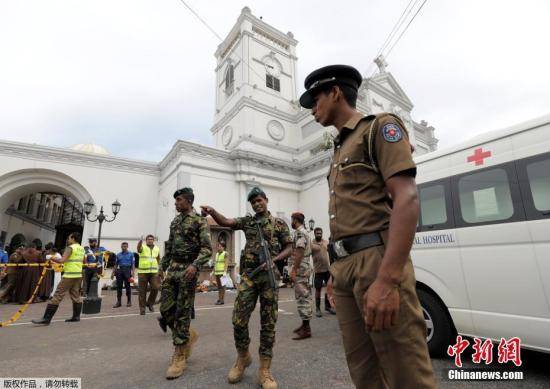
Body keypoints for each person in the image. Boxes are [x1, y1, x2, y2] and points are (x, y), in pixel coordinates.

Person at [299, 64, 437, 388]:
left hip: (377, 261)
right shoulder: (339, 148)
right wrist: (336, 272)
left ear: (335, 93)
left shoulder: (380, 127)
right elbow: (343, 217)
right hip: (345, 267)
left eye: (315, 99)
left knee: (406, 372)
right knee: (364, 371)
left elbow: (407, 198)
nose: (312, 110)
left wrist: (388, 280)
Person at [201, 186, 293, 389]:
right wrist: (212, 211)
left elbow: (289, 247)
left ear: (266, 200)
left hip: (269, 278)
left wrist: (274, 260)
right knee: (238, 319)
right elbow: (226, 222)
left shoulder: (278, 224)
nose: (257, 204)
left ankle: (265, 369)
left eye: (259, 200)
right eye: (253, 202)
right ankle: (243, 357)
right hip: (249, 277)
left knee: (268, 323)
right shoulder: (248, 221)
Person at [158, 187, 212, 380]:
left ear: (188, 201)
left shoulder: (200, 221)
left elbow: (207, 250)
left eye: (179, 200)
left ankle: (180, 354)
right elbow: (170, 246)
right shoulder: (175, 221)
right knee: (165, 310)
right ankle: (188, 335)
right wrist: (161, 267)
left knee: (182, 311)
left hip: (188, 271)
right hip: (172, 269)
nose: (175, 203)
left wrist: (195, 266)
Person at [32, 232, 85, 325]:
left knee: (57, 295)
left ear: (73, 238)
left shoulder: (70, 248)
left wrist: (51, 257)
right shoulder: (81, 248)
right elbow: (83, 261)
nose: (68, 240)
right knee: (75, 295)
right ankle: (76, 317)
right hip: (78, 275)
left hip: (69, 275)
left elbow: (62, 260)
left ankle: (46, 318)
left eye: (69, 238)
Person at [290, 212, 313, 340]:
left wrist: (294, 269)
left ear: (296, 220)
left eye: (292, 219)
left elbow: (299, 252)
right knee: (302, 295)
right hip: (303, 266)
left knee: (303, 296)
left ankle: (307, 329)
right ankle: (304, 325)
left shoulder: (300, 233)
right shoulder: (303, 232)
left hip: (301, 267)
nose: (291, 222)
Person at [310, 227, 335, 317]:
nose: (319, 235)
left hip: (327, 270)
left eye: (320, 233)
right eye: (317, 233)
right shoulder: (311, 244)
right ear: (314, 234)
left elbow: (331, 251)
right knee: (318, 289)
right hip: (318, 271)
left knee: (329, 289)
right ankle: (317, 309)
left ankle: (328, 307)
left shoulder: (325, 242)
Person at [136, 234, 161, 315]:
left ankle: (150, 303)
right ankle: (142, 309)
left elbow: (158, 258)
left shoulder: (157, 248)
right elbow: (138, 249)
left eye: (151, 239)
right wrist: (140, 241)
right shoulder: (143, 247)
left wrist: (161, 270)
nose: (150, 240)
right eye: (148, 239)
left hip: (154, 272)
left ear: (153, 240)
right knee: (142, 291)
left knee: (156, 287)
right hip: (143, 273)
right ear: (146, 240)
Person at [112, 242, 134, 308]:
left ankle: (129, 301)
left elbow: (133, 264)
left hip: (127, 270)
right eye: (123, 246)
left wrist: (133, 272)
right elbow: (116, 264)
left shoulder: (131, 254)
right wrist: (113, 273)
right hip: (120, 270)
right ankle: (119, 302)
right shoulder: (118, 255)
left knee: (128, 286)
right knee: (119, 287)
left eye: (125, 246)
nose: (124, 247)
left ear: (127, 247)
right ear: (121, 247)